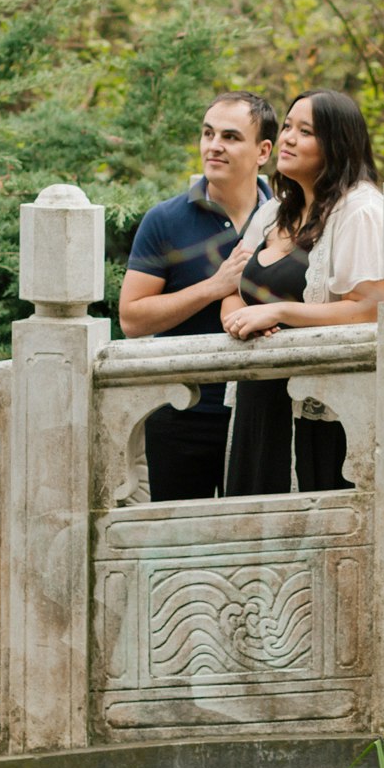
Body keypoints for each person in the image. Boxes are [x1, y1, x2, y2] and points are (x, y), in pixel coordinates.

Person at [221, 90, 384, 494]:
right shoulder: (274, 210)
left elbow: (373, 308)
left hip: (316, 410)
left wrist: (279, 313)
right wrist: (237, 319)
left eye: (306, 131)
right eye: (287, 127)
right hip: (257, 395)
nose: (288, 139)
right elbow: (233, 287)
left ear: (338, 143)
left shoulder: (361, 211)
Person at [118, 91, 279, 501]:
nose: (214, 146)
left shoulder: (286, 219)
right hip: (181, 411)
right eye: (208, 134)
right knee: (177, 542)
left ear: (263, 151)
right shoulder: (165, 220)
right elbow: (132, 318)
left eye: (230, 136)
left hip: (263, 411)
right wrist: (215, 286)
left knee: (254, 540)